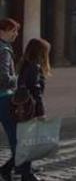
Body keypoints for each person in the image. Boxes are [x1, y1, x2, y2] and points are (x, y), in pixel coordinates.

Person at [12, 38, 52, 180]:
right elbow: (36, 91)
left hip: (24, 107)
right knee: (28, 141)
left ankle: (22, 172)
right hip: (31, 108)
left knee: (25, 140)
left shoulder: (24, 64)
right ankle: (27, 175)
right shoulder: (34, 66)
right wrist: (41, 112)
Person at [0, 18, 21, 181]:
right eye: (13, 30)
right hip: (4, 98)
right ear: (3, 31)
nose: (16, 34)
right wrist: (18, 78)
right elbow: (5, 78)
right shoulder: (4, 50)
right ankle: (20, 167)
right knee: (15, 136)